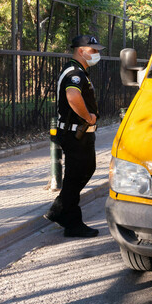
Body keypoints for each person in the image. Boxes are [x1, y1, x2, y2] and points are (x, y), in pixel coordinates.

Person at [45, 35, 105, 238]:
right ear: (81, 51)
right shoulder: (74, 73)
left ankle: (61, 212)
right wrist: (88, 117)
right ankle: (68, 219)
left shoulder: (79, 71)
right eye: (93, 50)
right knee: (76, 175)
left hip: (78, 134)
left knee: (83, 171)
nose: (97, 54)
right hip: (74, 133)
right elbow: (73, 96)